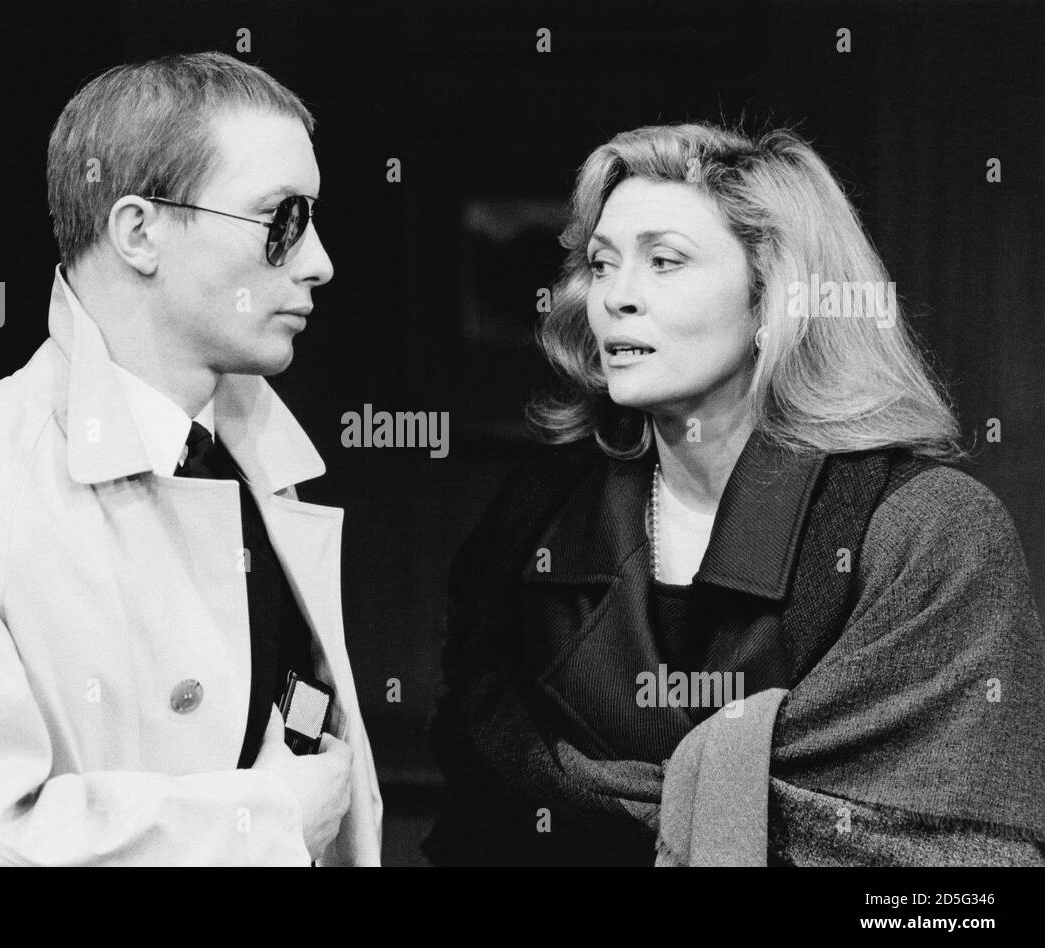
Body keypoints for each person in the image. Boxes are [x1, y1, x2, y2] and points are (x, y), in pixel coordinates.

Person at [0, 52, 382, 866]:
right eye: (281, 219)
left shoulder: (262, 469)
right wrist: (264, 818)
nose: (319, 260)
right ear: (139, 231)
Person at [424, 122, 1043, 866]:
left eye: (664, 261)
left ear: (770, 299)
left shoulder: (929, 532)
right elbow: (472, 820)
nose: (615, 297)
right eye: (601, 262)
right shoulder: (532, 520)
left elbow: (957, 885)